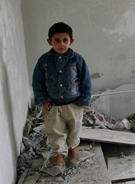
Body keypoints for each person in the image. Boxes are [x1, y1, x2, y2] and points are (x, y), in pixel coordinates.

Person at [32, 22, 92, 171]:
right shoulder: (44, 61)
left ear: (71, 41)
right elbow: (37, 81)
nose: (61, 44)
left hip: (74, 104)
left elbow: (86, 81)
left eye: (65, 40)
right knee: (55, 131)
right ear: (49, 41)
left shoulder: (77, 60)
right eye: (57, 40)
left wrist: (83, 100)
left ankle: (73, 150)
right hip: (52, 105)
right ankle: (58, 155)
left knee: (74, 129)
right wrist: (43, 99)